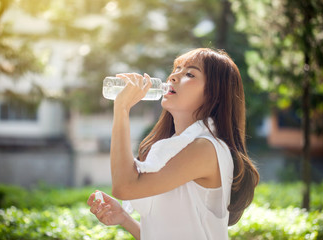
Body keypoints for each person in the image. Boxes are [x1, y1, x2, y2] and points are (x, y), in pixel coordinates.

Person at [87, 48, 260, 240]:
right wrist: (124, 218)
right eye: (176, 68)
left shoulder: (207, 149)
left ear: (213, 95)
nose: (174, 76)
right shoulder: (171, 150)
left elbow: (124, 187)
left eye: (189, 73)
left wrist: (122, 108)